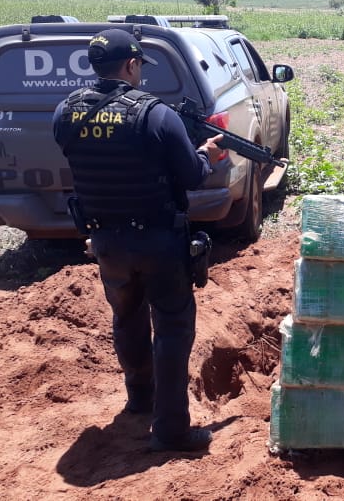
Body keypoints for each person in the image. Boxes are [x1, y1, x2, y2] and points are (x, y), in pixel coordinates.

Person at [52, 28, 224, 452]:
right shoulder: (156, 114)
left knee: (126, 317)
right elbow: (192, 176)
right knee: (172, 329)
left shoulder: (66, 112)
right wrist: (208, 154)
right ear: (131, 64)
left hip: (105, 241)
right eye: (139, 66)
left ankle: (140, 399)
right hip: (159, 241)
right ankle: (171, 431)